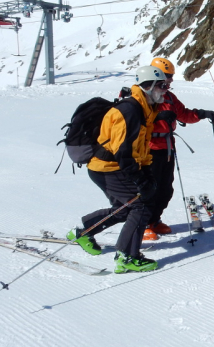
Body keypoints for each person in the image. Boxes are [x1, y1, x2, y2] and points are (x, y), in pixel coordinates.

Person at [66, 65, 167, 273]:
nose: (166, 90)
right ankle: (127, 256)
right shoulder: (130, 110)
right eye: (162, 86)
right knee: (140, 206)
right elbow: (123, 152)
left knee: (125, 208)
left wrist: (147, 170)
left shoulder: (145, 108)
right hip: (108, 167)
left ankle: (84, 231)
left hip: (111, 167)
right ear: (149, 87)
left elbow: (141, 146)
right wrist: (140, 180)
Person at [143, 57, 214, 241]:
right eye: (167, 76)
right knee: (148, 189)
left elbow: (183, 114)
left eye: (171, 76)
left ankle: (154, 220)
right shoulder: (143, 96)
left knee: (165, 189)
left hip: (167, 148)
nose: (170, 80)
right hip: (148, 150)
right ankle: (143, 224)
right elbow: (138, 122)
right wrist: (160, 117)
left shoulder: (168, 96)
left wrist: (201, 114)